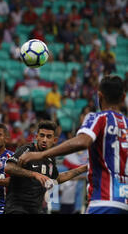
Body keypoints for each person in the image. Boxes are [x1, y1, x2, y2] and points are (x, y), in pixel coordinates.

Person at [18, 75, 128, 214]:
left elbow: (83, 141)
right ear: (124, 97)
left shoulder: (98, 118)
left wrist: (41, 154)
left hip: (104, 201)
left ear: (99, 96)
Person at [4, 120, 88, 214]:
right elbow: (9, 167)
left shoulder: (50, 158)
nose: (44, 140)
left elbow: (57, 178)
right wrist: (33, 174)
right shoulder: (27, 150)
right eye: (42, 135)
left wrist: (84, 168)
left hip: (36, 209)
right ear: (36, 137)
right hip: (17, 208)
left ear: (54, 140)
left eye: (48, 137)